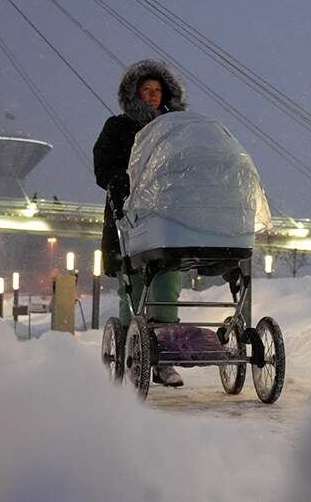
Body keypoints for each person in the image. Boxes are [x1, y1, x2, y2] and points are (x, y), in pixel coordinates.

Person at [93, 59, 187, 387]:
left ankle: (164, 360)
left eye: (156, 91)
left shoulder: (177, 129)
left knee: (167, 285)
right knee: (132, 287)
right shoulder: (118, 127)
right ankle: (132, 351)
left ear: (166, 95)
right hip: (130, 216)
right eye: (145, 91)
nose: (151, 96)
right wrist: (125, 180)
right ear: (134, 94)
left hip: (167, 217)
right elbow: (103, 169)